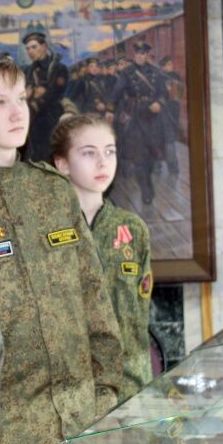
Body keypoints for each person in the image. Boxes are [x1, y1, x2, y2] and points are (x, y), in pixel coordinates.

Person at [0, 53, 123, 444]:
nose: (17, 113)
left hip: (82, 422)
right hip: (6, 440)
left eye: (21, 98)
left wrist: (106, 395)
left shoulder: (54, 190)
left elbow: (95, 298)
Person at [52, 114, 154, 402]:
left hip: (128, 386)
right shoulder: (47, 230)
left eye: (110, 152)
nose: (102, 163)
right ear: (62, 164)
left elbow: (140, 315)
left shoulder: (132, 229)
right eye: (89, 153)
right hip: (68, 391)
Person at [108, 41, 168, 204]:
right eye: (137, 54)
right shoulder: (127, 73)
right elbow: (116, 92)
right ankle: (146, 191)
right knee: (139, 157)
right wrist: (110, 109)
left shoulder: (155, 72)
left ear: (147, 55)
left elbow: (164, 93)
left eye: (143, 54)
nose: (140, 57)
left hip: (153, 118)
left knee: (152, 156)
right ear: (134, 55)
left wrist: (159, 103)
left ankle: (147, 183)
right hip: (136, 116)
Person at [22, 32, 69, 163]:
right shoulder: (28, 70)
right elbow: (24, 92)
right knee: (34, 154)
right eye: (28, 49)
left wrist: (36, 100)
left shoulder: (59, 68)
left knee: (52, 152)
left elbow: (55, 93)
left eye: (34, 47)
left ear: (44, 47)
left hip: (52, 116)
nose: (30, 51)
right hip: (33, 118)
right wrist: (31, 94)